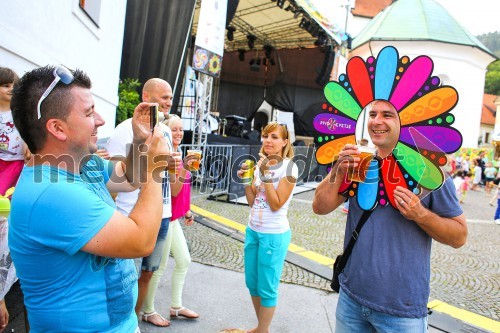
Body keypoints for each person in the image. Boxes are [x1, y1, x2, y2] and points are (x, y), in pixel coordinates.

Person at [8, 65, 172, 332]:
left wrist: (141, 142)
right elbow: (141, 241)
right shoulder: (51, 193)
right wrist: (155, 168)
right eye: (88, 112)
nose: (100, 120)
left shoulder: (83, 164)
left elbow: (129, 179)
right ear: (57, 128)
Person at [312, 100, 467, 332]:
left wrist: (420, 214)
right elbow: (320, 207)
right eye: (372, 114)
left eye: (387, 115)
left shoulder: (428, 170)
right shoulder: (358, 161)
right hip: (351, 300)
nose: (377, 121)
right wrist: (338, 170)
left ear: (404, 121)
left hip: (401, 312)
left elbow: (459, 236)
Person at [106, 78, 178, 327]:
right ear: (147, 97)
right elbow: (115, 179)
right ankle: (122, 322)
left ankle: (134, 320)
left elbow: (165, 174)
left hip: (162, 212)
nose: (169, 102)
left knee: (148, 273)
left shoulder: (166, 130)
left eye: (170, 97)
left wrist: (172, 167)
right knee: (124, 278)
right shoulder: (125, 129)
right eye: (164, 97)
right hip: (129, 215)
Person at [237, 121, 298, 333]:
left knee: (267, 288)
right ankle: (262, 327)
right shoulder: (261, 163)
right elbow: (253, 202)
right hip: (253, 230)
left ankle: (262, 331)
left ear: (284, 142)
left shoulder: (290, 167)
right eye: (265, 136)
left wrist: (266, 175)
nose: (268, 141)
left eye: (274, 137)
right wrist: (247, 180)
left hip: (274, 234)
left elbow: (276, 203)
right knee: (252, 283)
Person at [142, 115, 199, 327]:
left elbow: (181, 190)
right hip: (164, 217)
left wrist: (188, 209)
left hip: (175, 217)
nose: (178, 133)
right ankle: (147, 310)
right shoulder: (167, 155)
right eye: (174, 129)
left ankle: (176, 306)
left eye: (181, 129)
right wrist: (183, 166)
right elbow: (172, 190)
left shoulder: (179, 154)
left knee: (184, 260)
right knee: (158, 266)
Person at [0, 67, 29, 196]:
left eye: (14, 86)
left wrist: (29, 143)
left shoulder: (20, 112)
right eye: (6, 85)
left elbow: (29, 129)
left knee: (5, 194)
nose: (11, 89)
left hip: (14, 161)